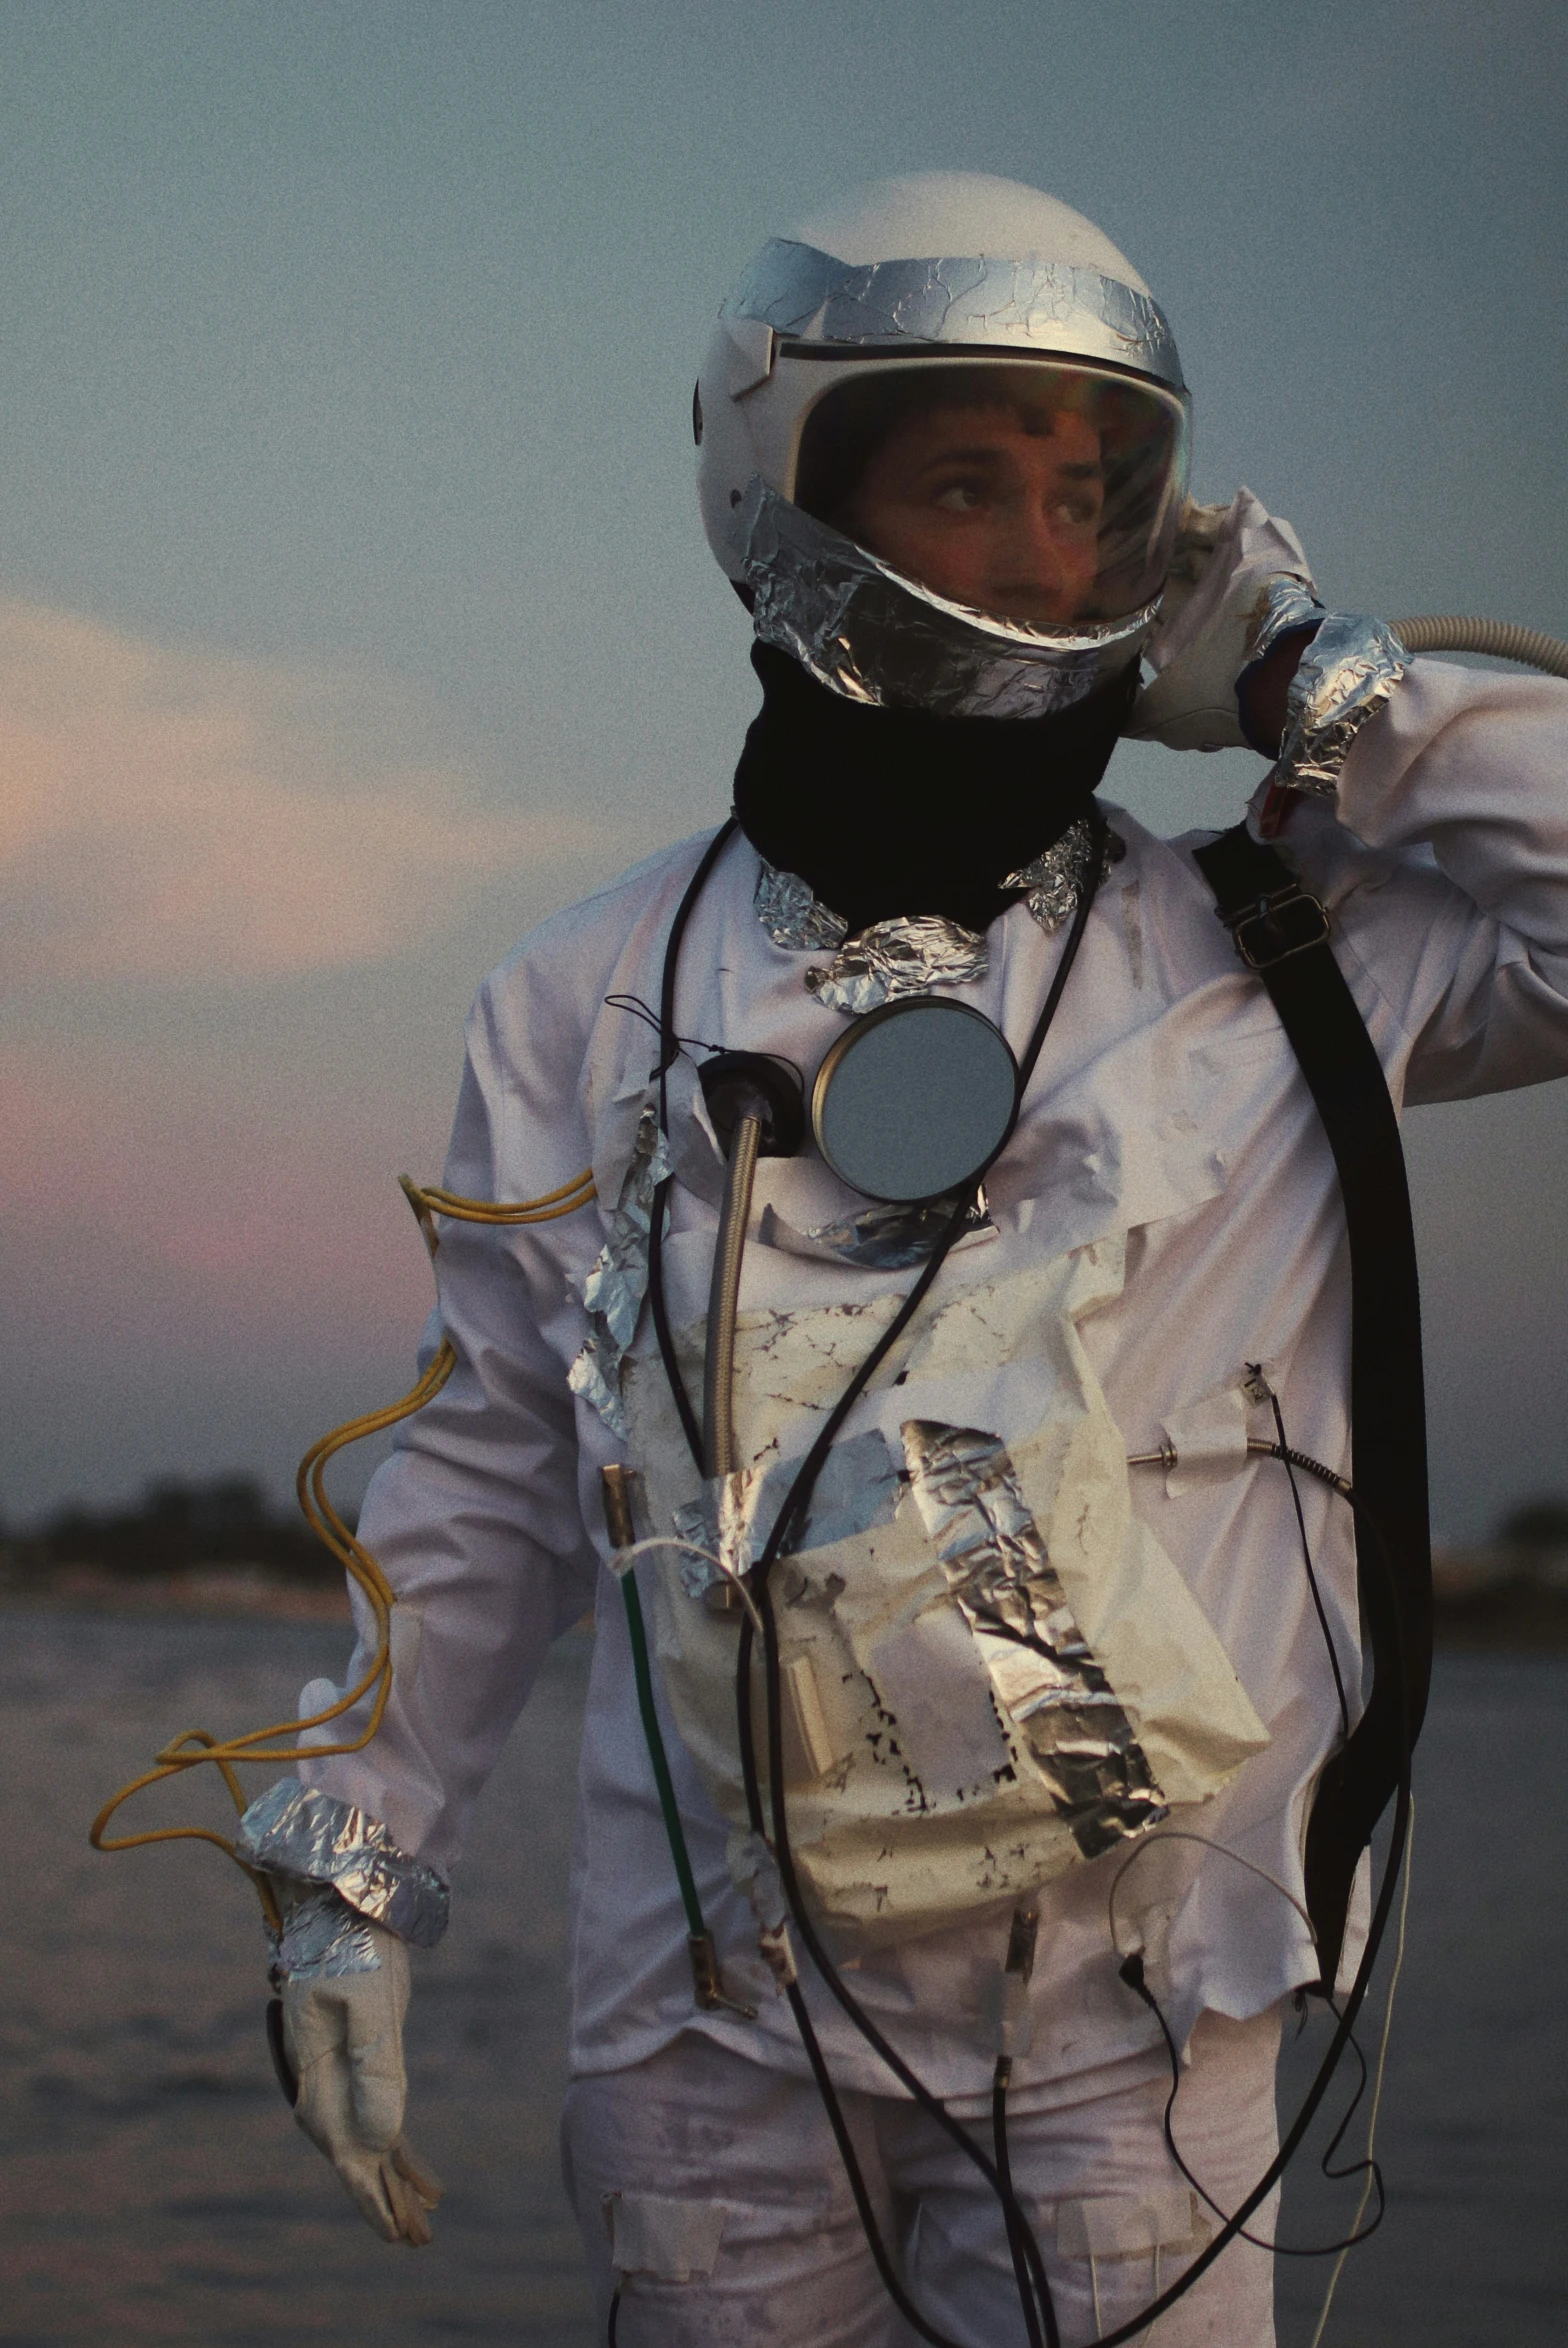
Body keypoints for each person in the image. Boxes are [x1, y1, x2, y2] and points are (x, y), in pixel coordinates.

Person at [232, 173, 1568, 2344]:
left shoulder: (1284, 949)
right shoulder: (589, 992)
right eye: (974, 481)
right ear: (787, 498)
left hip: (1136, 2028)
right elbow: (487, 1477)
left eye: (1101, 488)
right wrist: (343, 1870)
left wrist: (1334, 688)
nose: (1057, 548)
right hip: (711, 2029)